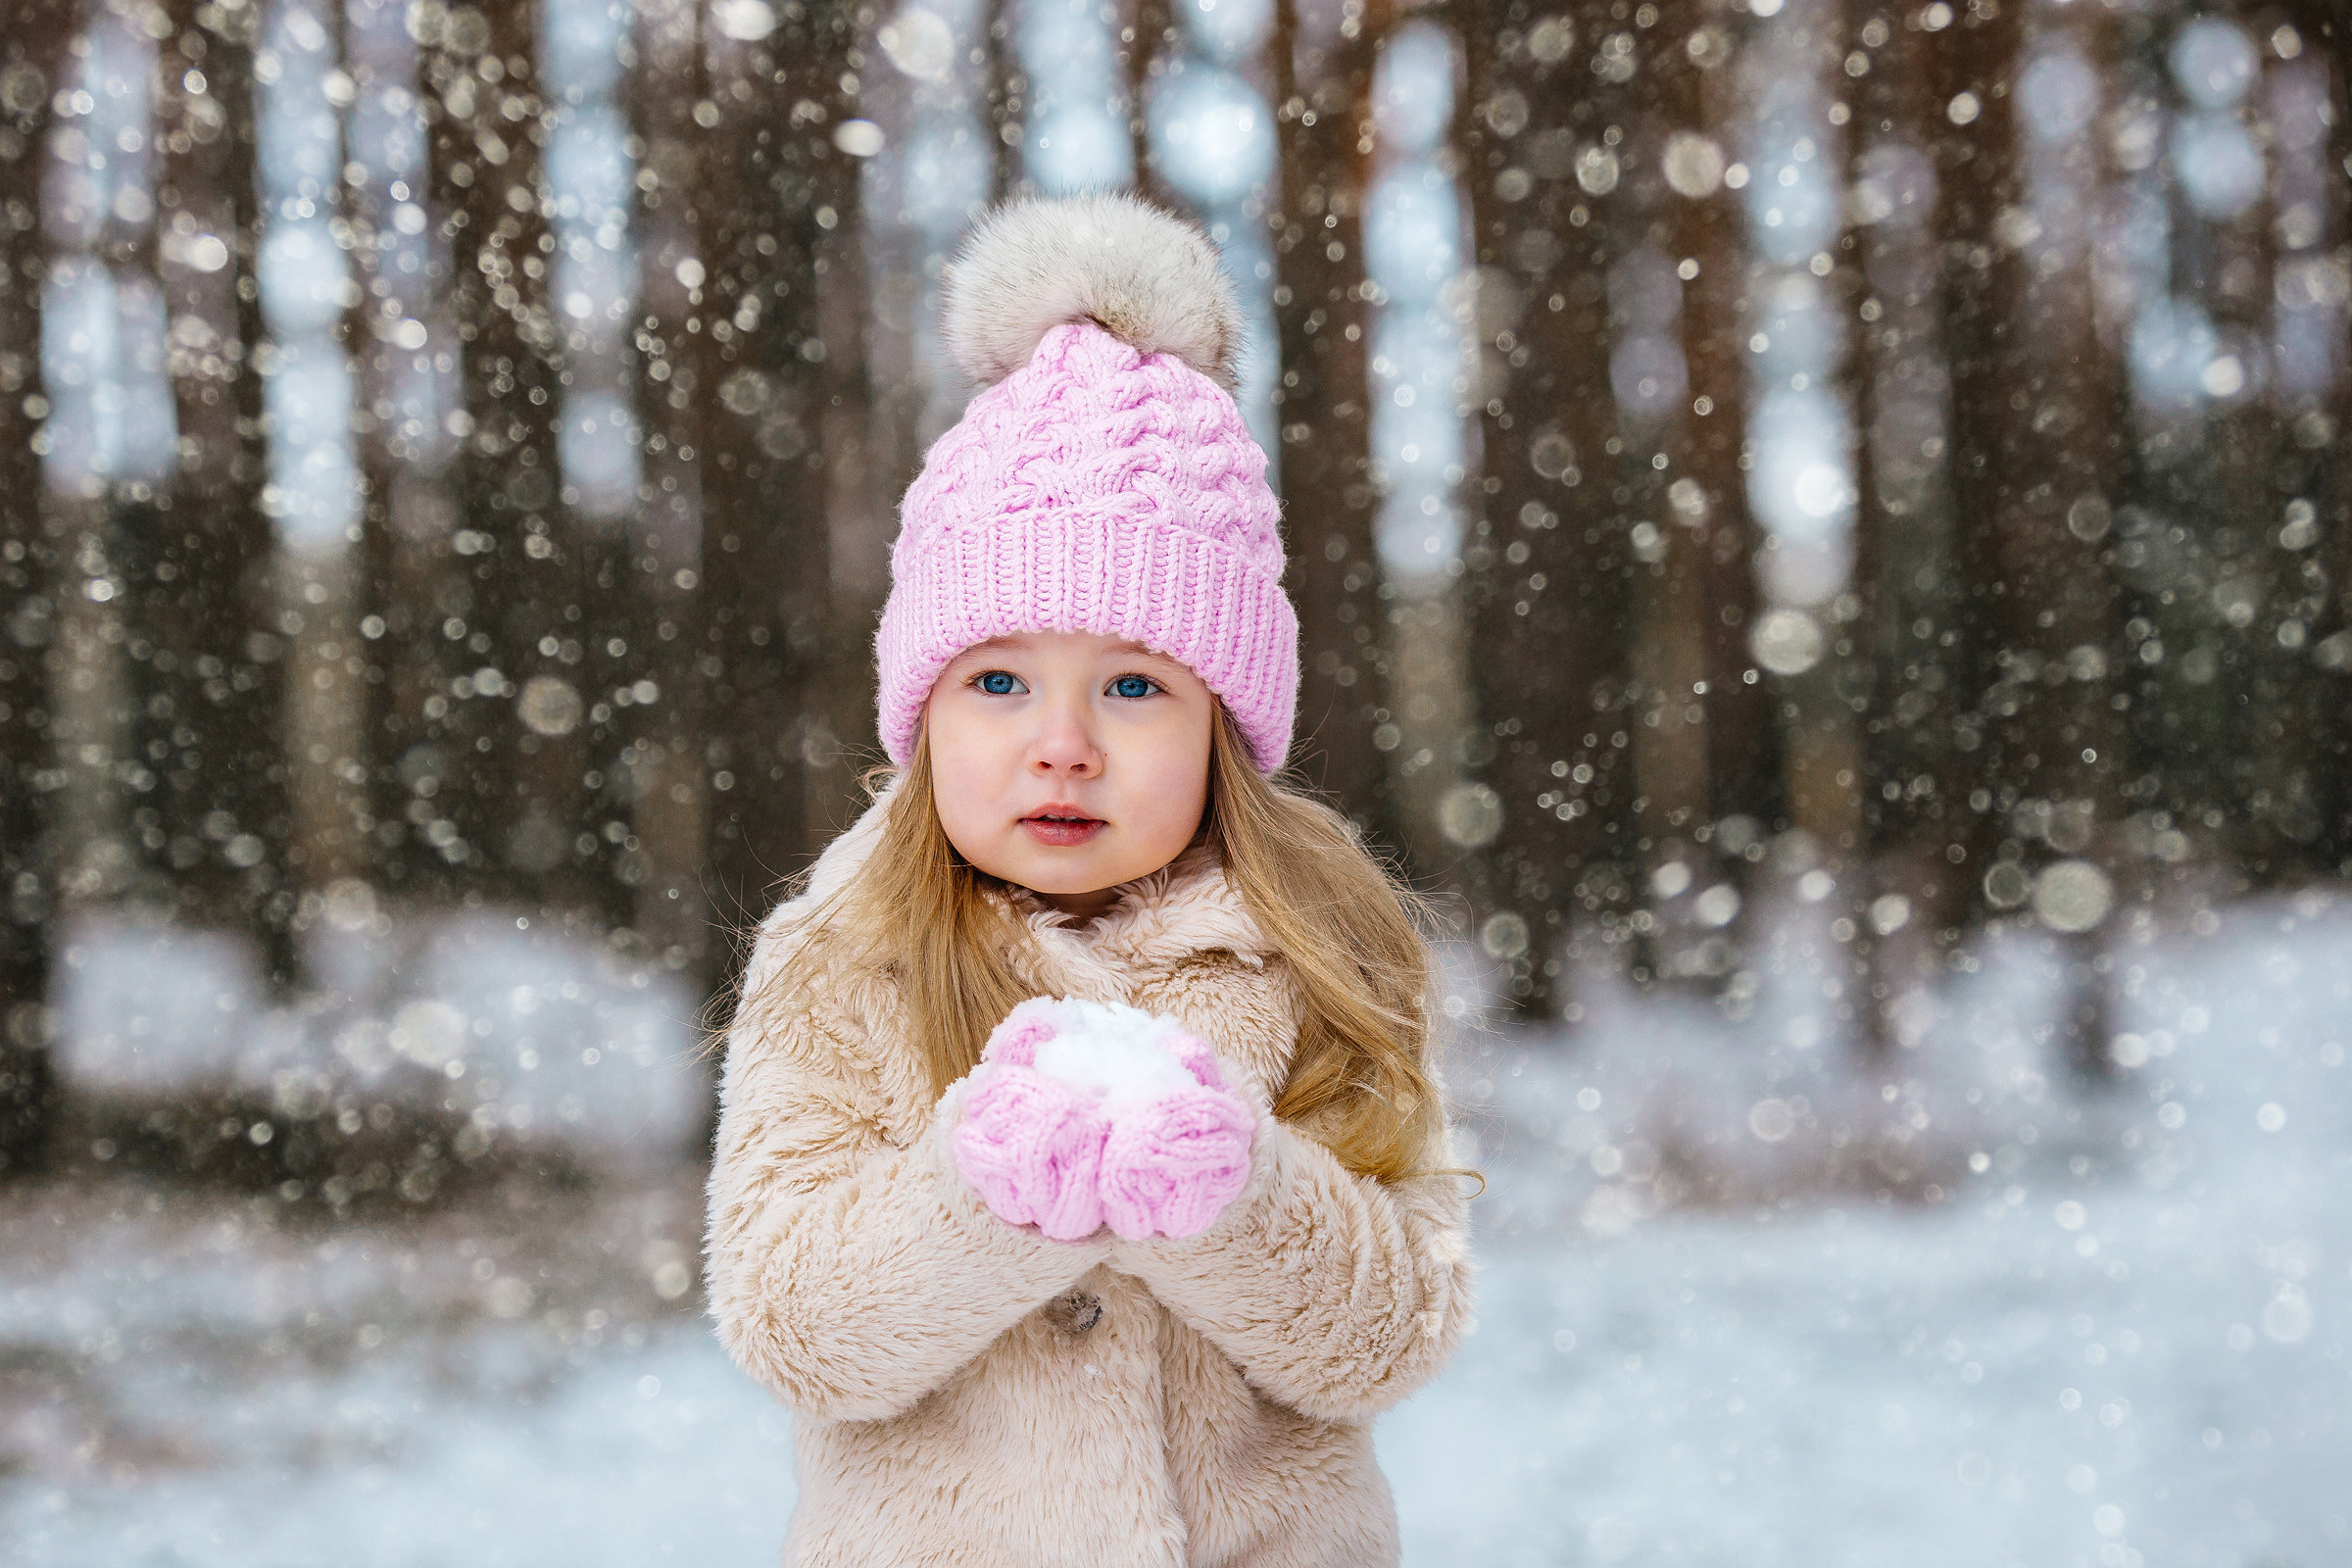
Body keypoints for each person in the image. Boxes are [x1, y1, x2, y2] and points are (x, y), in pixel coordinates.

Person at [703, 191, 1477, 1566]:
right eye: (999, 681)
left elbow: (1392, 1332)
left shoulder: (1316, 952)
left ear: (1223, 729)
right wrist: (982, 1195)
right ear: (923, 712)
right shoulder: (843, 953)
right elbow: (795, 1326)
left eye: (1133, 685)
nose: (1061, 745)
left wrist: (1236, 1195)